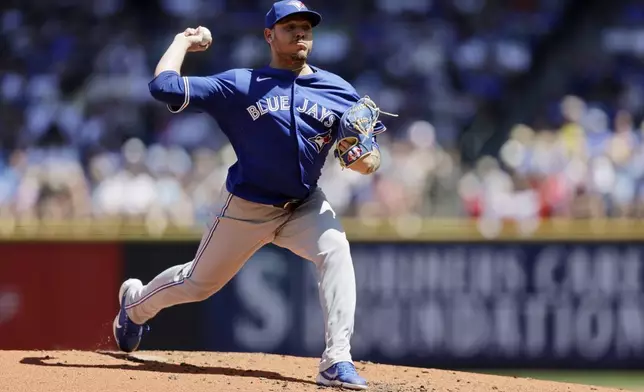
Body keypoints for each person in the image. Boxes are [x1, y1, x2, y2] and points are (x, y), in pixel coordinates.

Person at [113, 1, 392, 390]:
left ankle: (336, 360)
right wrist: (181, 42)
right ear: (269, 35)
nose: (300, 33)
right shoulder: (241, 84)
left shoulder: (338, 90)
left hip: (304, 204)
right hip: (247, 207)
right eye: (289, 26)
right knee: (197, 283)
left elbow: (370, 156)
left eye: (306, 28)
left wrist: (366, 160)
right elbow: (164, 87)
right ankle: (136, 306)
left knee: (336, 251)